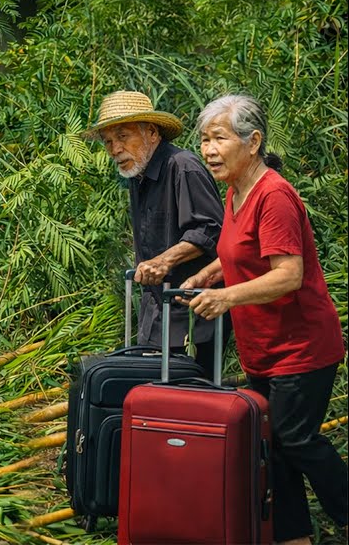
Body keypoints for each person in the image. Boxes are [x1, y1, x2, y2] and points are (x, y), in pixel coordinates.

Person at [180, 94, 347, 545]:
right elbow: (239, 251)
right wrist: (208, 273)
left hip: (302, 346)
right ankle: (294, 537)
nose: (209, 150)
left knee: (296, 439)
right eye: (204, 140)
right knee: (271, 443)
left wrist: (227, 297)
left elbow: (288, 275)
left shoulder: (273, 196)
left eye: (219, 138)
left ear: (252, 142)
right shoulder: (236, 190)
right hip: (264, 348)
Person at [86, 90, 225, 370]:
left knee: (189, 400)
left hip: (192, 313)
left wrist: (164, 260)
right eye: (109, 142)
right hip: (155, 313)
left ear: (151, 133)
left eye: (123, 137)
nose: (115, 149)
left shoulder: (182, 167)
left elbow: (211, 230)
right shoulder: (138, 175)